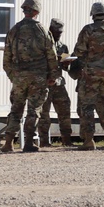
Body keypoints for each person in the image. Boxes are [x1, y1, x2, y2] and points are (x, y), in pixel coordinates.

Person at [0, 0, 59, 153]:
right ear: (36, 12)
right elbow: (51, 55)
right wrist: (53, 75)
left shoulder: (14, 30)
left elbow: (6, 57)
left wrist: (13, 75)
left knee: (16, 109)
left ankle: (8, 142)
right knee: (34, 110)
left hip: (19, 76)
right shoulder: (42, 30)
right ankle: (28, 142)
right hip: (38, 77)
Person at [72, 2, 104, 151]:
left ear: (93, 14)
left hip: (90, 73)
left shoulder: (88, 30)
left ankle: (88, 140)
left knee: (87, 106)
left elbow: (80, 51)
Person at [39, 18, 75, 147]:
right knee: (44, 113)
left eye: (60, 32)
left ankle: (66, 139)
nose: (58, 34)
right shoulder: (42, 44)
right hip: (45, 83)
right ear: (51, 30)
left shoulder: (63, 46)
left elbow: (66, 68)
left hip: (58, 84)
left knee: (65, 111)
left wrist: (67, 63)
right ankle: (43, 140)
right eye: (56, 32)